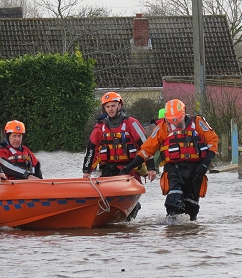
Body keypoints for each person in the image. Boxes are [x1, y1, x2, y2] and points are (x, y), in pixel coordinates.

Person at [120, 99, 219, 221]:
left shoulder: (198, 122)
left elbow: (212, 142)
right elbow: (147, 150)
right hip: (174, 170)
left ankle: (189, 234)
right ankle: (172, 231)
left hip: (196, 170)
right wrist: (128, 167)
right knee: (173, 203)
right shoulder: (162, 128)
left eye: (178, 121)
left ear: (183, 114)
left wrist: (205, 164)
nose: (176, 126)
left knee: (191, 208)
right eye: (172, 122)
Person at [82, 91, 156, 221]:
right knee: (105, 197)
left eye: (113, 106)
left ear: (119, 106)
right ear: (104, 109)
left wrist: (151, 168)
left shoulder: (131, 123)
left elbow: (146, 146)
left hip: (129, 168)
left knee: (125, 198)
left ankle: (133, 208)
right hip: (108, 169)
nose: (110, 109)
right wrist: (87, 171)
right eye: (107, 106)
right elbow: (91, 150)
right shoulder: (100, 127)